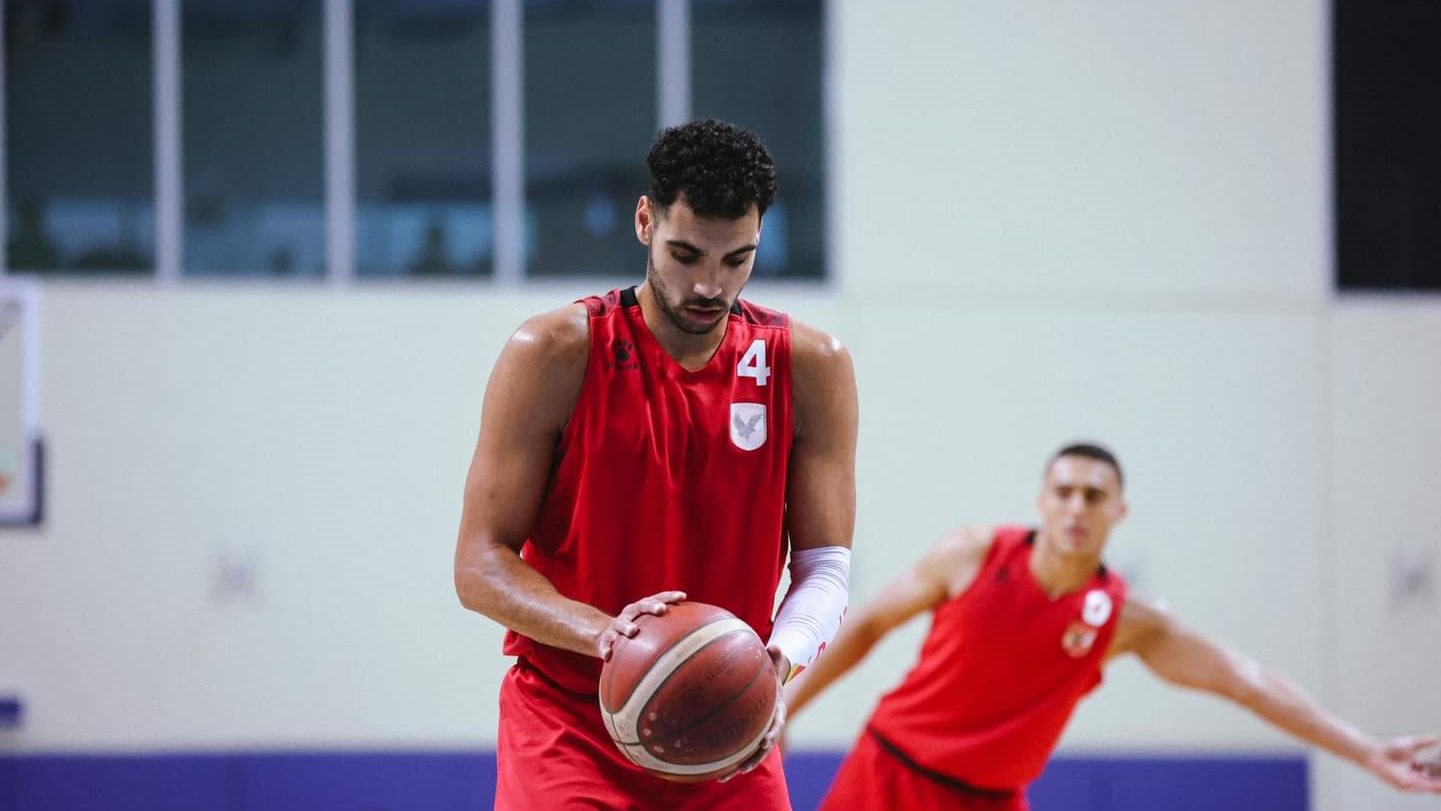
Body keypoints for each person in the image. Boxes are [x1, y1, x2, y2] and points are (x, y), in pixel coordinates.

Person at [454, 119, 858, 810]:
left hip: (724, 718)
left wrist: (775, 662)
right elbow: (479, 564)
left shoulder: (809, 365)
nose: (709, 284)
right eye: (685, 253)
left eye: (736, 259)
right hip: (569, 719)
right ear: (645, 221)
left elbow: (825, 567)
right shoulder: (552, 351)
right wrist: (609, 634)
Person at [784, 443, 1441, 810]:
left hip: (991, 799)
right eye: (1064, 491)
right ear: (1041, 500)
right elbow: (866, 625)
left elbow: (1247, 681)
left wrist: (1366, 749)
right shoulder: (971, 554)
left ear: (1117, 512)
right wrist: (784, 707)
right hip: (890, 773)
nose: (1076, 505)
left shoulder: (1126, 620)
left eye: (1093, 495)